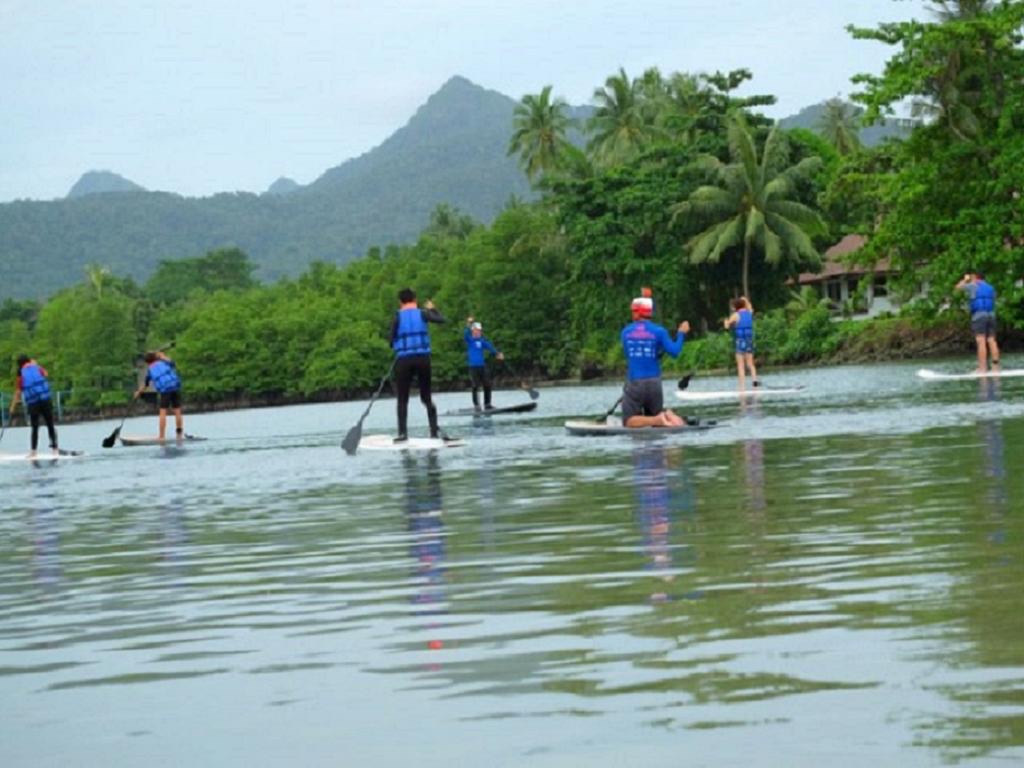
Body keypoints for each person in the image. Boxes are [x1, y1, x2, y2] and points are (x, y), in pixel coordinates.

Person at [620, 295, 690, 428]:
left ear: (637, 312)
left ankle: (658, 419)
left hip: (635, 383)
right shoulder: (659, 331)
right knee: (656, 425)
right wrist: (681, 334)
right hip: (655, 384)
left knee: (628, 421)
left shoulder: (625, 332)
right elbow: (675, 352)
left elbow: (629, 356)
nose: (631, 313)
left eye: (633, 311)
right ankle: (666, 416)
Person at [391, 288, 447, 442]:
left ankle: (403, 434)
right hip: (423, 359)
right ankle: (434, 432)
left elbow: (391, 339)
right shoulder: (423, 313)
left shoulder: (397, 317)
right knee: (426, 397)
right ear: (415, 300)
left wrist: (398, 347)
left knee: (402, 399)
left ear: (400, 302)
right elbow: (442, 320)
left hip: (404, 360)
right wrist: (433, 308)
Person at [8, 355, 59, 457]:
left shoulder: (20, 373)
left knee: (35, 427)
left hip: (33, 403)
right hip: (45, 400)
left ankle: (33, 452)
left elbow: (18, 391)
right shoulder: (37, 368)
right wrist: (35, 364)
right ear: (29, 361)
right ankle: (55, 450)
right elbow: (46, 374)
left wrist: (12, 407)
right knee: (50, 425)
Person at [134, 350, 184, 441]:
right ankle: (179, 434)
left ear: (147, 362)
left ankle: (161, 436)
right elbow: (173, 363)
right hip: (174, 387)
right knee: (177, 411)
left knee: (163, 413)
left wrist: (138, 392)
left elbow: (145, 384)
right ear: (156, 358)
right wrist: (162, 356)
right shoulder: (164, 362)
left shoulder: (150, 371)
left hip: (165, 390)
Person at [956, 271, 1000, 372]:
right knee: (991, 340)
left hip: (979, 315)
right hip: (991, 315)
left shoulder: (973, 285)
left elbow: (958, 287)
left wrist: (965, 279)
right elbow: (993, 298)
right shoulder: (991, 287)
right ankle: (996, 367)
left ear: (975, 277)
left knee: (981, 341)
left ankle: (982, 368)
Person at [463, 317, 504, 411]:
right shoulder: (469, 340)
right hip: (473, 367)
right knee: (475, 386)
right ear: (472, 331)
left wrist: (498, 354)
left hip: (482, 366)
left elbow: (491, 348)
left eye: (479, 331)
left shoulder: (482, 341)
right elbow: (465, 333)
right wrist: (469, 323)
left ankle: (487, 404)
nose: (477, 332)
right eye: (476, 330)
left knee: (487, 384)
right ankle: (477, 405)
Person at [723, 296, 760, 389]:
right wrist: (745, 299)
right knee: (750, 363)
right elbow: (750, 306)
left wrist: (725, 322)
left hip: (740, 341)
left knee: (741, 365)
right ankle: (754, 381)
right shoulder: (749, 313)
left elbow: (727, 327)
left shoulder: (735, 315)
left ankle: (742, 387)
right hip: (749, 340)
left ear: (736, 306)